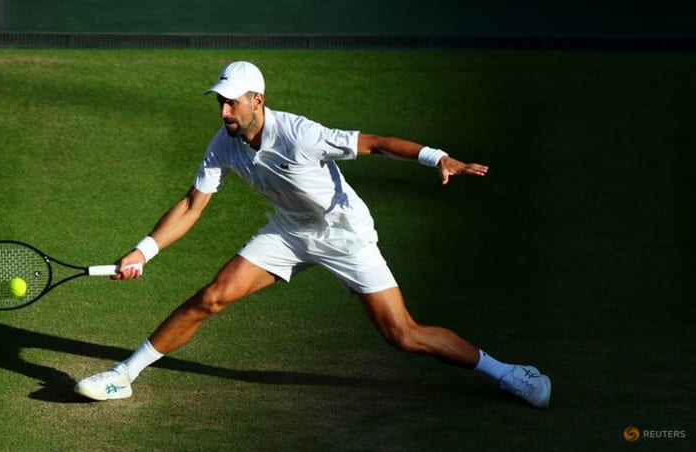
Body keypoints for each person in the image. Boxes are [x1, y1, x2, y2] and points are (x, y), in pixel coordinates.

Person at [74, 61, 551, 408]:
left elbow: (375, 144)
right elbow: (192, 205)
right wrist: (143, 250)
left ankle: (508, 373)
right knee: (211, 298)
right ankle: (123, 374)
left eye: (232, 102)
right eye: (220, 102)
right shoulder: (223, 144)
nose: (223, 112)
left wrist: (437, 157)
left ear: (257, 100)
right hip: (288, 232)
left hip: (345, 234)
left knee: (402, 335)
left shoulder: (301, 134)